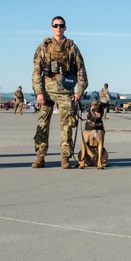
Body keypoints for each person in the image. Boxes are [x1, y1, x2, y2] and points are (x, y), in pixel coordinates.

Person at [31, 16, 88, 168]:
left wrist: (79, 91)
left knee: (67, 125)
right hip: (47, 90)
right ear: (51, 27)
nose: (58, 28)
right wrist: (39, 92)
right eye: (55, 25)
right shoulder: (44, 46)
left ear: (65, 28)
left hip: (65, 91)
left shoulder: (71, 47)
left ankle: (65, 157)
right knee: (42, 124)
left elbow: (81, 69)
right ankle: (40, 156)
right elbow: (37, 71)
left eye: (61, 26)